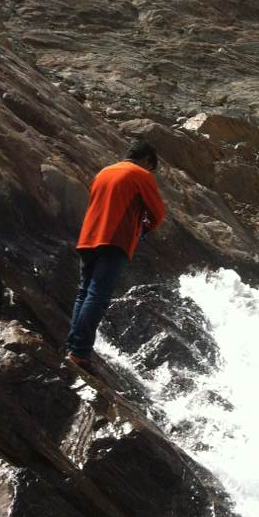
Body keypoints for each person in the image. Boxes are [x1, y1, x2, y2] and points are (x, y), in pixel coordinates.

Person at [66, 138, 166, 368]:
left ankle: (74, 347)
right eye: (152, 167)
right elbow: (158, 213)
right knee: (97, 295)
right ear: (147, 161)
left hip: (88, 238)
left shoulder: (104, 172)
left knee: (84, 293)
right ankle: (80, 352)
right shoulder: (141, 175)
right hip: (115, 240)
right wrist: (144, 229)